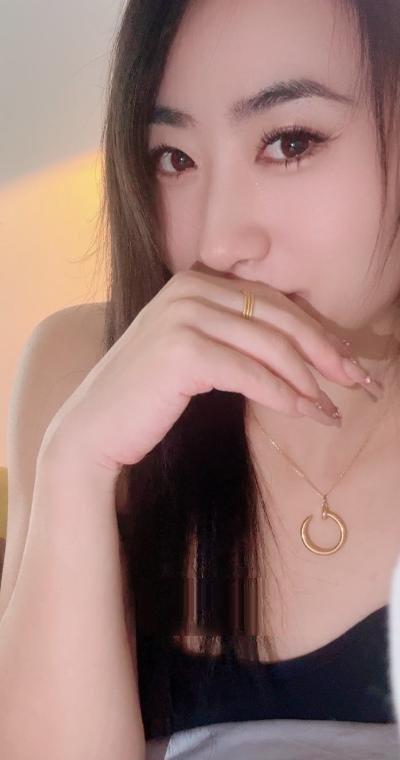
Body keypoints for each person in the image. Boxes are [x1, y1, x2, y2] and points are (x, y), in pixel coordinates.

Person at [1, 1, 400, 757]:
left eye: (290, 142)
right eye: (174, 159)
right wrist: (78, 465)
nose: (217, 243)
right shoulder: (81, 363)